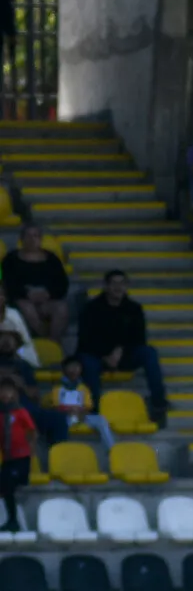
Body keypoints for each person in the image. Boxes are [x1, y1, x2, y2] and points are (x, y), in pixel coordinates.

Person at [76, 270, 168, 418]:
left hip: (124, 356)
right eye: (114, 283)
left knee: (149, 352)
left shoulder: (134, 309)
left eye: (122, 283)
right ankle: (94, 408)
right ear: (106, 286)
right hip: (97, 355)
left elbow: (139, 339)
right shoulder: (91, 308)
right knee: (87, 361)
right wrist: (106, 355)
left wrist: (120, 351)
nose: (118, 287)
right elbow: (85, 340)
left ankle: (158, 402)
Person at [2, 223, 70, 343]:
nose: (32, 239)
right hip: (21, 299)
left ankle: (54, 343)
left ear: (40, 239)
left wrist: (47, 294)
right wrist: (27, 294)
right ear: (22, 239)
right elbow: (8, 283)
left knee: (61, 308)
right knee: (26, 307)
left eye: (36, 236)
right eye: (28, 236)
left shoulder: (52, 259)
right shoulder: (10, 259)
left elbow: (62, 283)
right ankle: (43, 339)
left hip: (48, 299)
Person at [47, 356, 115, 450]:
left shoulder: (83, 388)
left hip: (82, 416)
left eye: (77, 367)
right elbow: (56, 406)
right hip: (65, 417)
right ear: (65, 369)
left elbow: (88, 406)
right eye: (71, 366)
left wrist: (79, 411)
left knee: (101, 420)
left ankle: (111, 449)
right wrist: (70, 410)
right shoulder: (58, 388)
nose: (74, 370)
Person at [0, 376, 35, 533]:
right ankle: (12, 520)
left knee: (8, 484)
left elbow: (31, 432)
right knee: (5, 487)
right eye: (2, 391)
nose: (5, 394)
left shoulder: (20, 411)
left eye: (8, 391)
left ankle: (13, 521)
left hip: (21, 457)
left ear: (14, 393)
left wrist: (31, 451)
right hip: (7, 458)